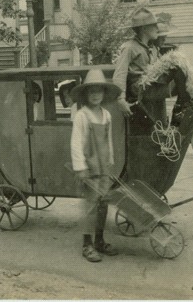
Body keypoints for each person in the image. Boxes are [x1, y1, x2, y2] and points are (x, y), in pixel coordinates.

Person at [113, 8, 193, 129]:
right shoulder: (129, 47)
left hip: (152, 85)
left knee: (182, 76)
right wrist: (120, 99)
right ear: (144, 29)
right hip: (140, 88)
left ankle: (179, 111)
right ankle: (183, 107)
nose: (157, 28)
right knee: (176, 61)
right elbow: (120, 73)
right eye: (154, 25)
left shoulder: (152, 48)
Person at [70, 69, 121, 262]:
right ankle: (87, 244)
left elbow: (108, 140)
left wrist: (111, 160)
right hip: (90, 168)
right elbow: (75, 143)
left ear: (104, 94)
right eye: (91, 91)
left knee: (103, 205)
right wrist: (80, 167)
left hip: (104, 167)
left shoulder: (106, 115)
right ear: (85, 94)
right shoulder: (82, 116)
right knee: (90, 207)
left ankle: (99, 240)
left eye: (99, 91)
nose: (95, 95)